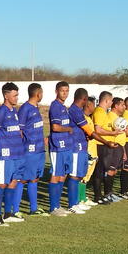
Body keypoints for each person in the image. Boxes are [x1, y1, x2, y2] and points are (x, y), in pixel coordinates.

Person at [0, 82, 26, 224]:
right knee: (1, 183)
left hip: (17, 154)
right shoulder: (1, 112)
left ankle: (7, 213)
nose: (17, 98)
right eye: (15, 95)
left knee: (13, 182)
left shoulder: (14, 111)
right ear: (6, 96)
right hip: (5, 155)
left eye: (17, 95)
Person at [18, 83, 49, 216]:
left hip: (39, 149)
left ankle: (33, 208)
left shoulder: (36, 108)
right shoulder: (25, 108)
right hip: (29, 150)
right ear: (38, 94)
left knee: (35, 178)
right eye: (41, 93)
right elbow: (19, 130)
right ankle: (15, 210)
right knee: (23, 179)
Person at [47, 81, 74, 216]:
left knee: (62, 175)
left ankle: (57, 205)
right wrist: (68, 129)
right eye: (63, 91)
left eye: (67, 91)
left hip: (66, 146)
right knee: (56, 175)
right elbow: (55, 127)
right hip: (58, 146)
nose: (65, 93)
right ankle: (53, 207)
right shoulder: (55, 106)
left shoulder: (64, 107)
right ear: (57, 91)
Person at [92, 94, 125, 204]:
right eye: (111, 101)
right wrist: (113, 133)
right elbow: (98, 130)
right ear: (106, 100)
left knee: (102, 171)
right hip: (100, 145)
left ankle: (103, 195)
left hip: (106, 145)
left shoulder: (104, 113)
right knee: (99, 172)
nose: (111, 103)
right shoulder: (100, 112)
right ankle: (98, 196)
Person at [65, 87, 93, 213]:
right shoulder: (74, 110)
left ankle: (76, 201)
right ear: (85, 99)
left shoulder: (79, 110)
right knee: (74, 176)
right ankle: (72, 204)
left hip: (82, 146)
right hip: (75, 147)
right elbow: (88, 130)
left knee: (80, 175)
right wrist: (105, 141)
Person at [79, 96, 100, 206]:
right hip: (87, 151)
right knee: (82, 176)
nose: (95, 107)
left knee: (87, 176)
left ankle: (83, 197)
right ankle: (80, 198)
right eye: (94, 105)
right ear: (88, 105)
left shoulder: (89, 118)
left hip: (93, 151)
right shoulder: (83, 118)